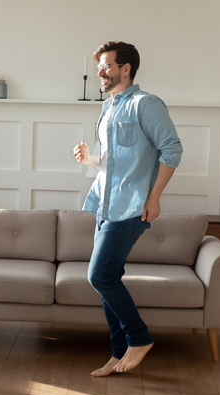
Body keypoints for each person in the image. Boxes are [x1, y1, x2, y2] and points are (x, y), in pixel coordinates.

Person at [73, 41, 182, 377]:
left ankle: (139, 338)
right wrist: (90, 160)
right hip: (104, 203)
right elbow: (115, 162)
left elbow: (172, 151)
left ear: (125, 69)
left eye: (106, 66)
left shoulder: (145, 104)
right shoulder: (108, 107)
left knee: (99, 275)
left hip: (131, 207)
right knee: (109, 278)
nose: (100, 72)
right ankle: (119, 353)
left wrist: (154, 196)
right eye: (99, 67)